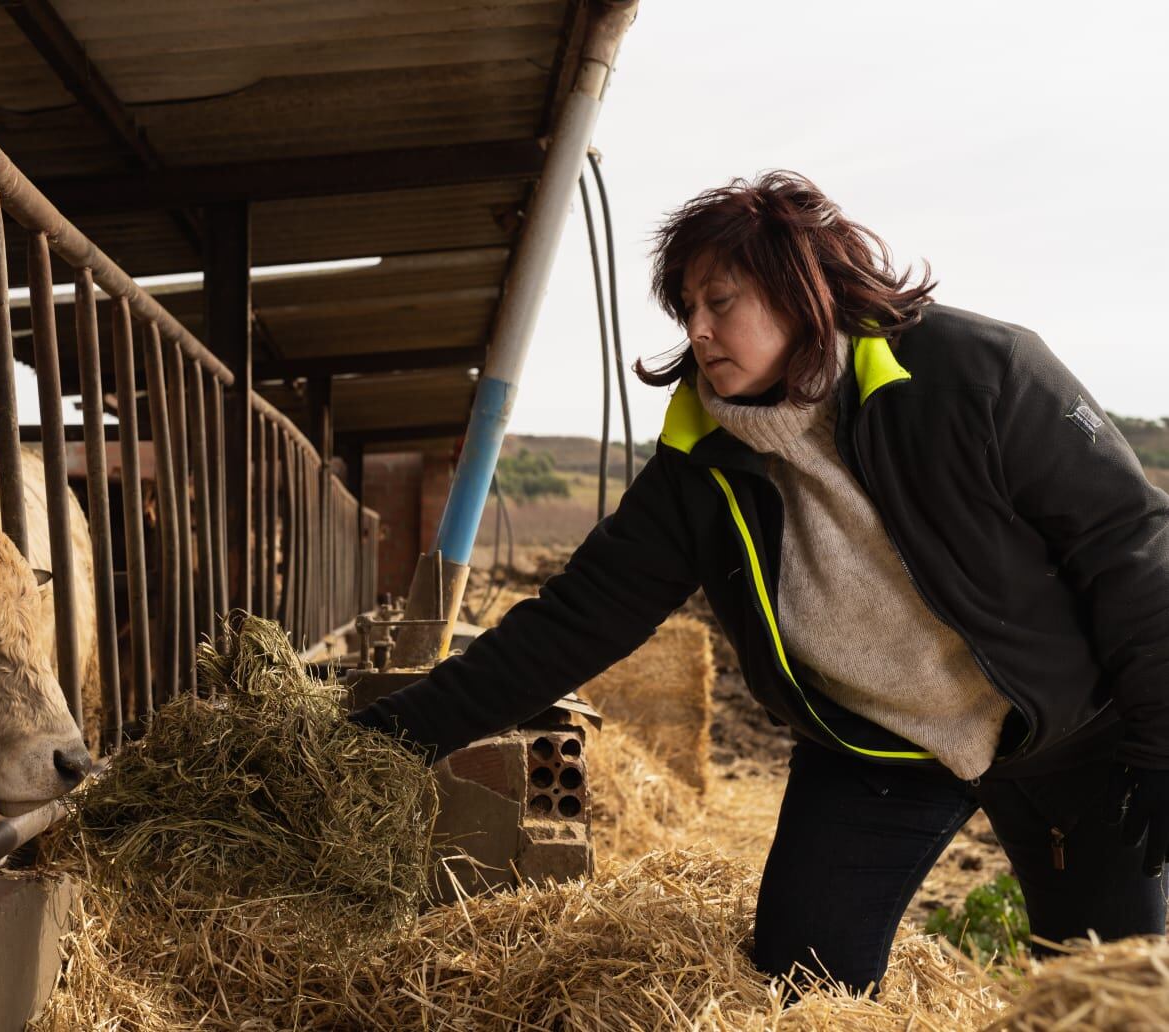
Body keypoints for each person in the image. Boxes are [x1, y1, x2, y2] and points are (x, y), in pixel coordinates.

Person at [350, 171, 1169, 993]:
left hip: (1069, 734)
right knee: (801, 986)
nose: (699, 330)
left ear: (799, 290)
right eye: (686, 310)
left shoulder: (981, 374)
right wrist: (389, 738)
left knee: (1105, 990)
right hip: (877, 743)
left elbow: (1128, 542)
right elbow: (577, 620)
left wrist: (1162, 738)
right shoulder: (698, 464)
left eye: (721, 302)